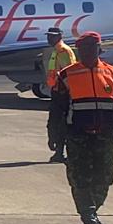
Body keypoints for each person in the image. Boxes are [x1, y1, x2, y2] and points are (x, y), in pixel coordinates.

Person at [47, 32, 113, 224]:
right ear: (79, 51)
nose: (87, 52)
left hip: (105, 135)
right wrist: (54, 134)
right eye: (84, 48)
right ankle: (89, 219)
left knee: (105, 177)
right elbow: (57, 108)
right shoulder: (67, 75)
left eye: (92, 47)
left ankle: (93, 210)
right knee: (80, 177)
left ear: (99, 49)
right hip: (78, 135)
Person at [44, 26, 77, 163]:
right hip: (57, 91)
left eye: (52, 36)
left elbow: (67, 73)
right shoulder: (56, 50)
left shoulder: (63, 51)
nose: (49, 38)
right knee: (56, 122)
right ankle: (58, 150)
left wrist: (67, 91)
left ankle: (61, 151)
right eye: (48, 36)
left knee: (62, 122)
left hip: (63, 92)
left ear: (59, 37)